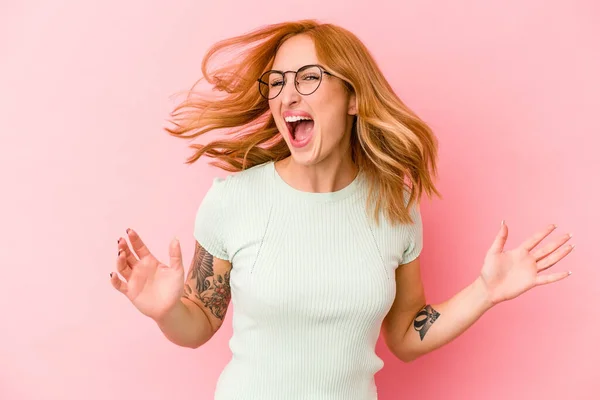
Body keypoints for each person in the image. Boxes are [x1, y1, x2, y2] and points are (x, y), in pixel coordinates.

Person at [109, 20, 574, 400]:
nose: (287, 95)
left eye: (308, 77)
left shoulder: (395, 206)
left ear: (353, 97)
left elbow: (405, 336)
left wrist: (485, 291)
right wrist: (166, 311)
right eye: (277, 82)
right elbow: (198, 324)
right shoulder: (232, 202)